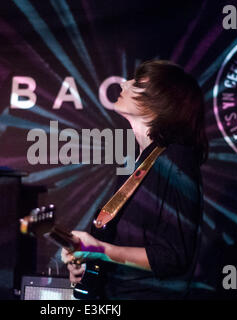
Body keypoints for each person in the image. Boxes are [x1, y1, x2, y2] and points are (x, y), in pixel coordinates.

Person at [61, 59, 208, 299]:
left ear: (162, 102)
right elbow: (114, 245)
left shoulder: (176, 159)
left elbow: (174, 257)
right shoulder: (134, 162)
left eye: (138, 83)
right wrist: (86, 262)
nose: (125, 83)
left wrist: (99, 251)